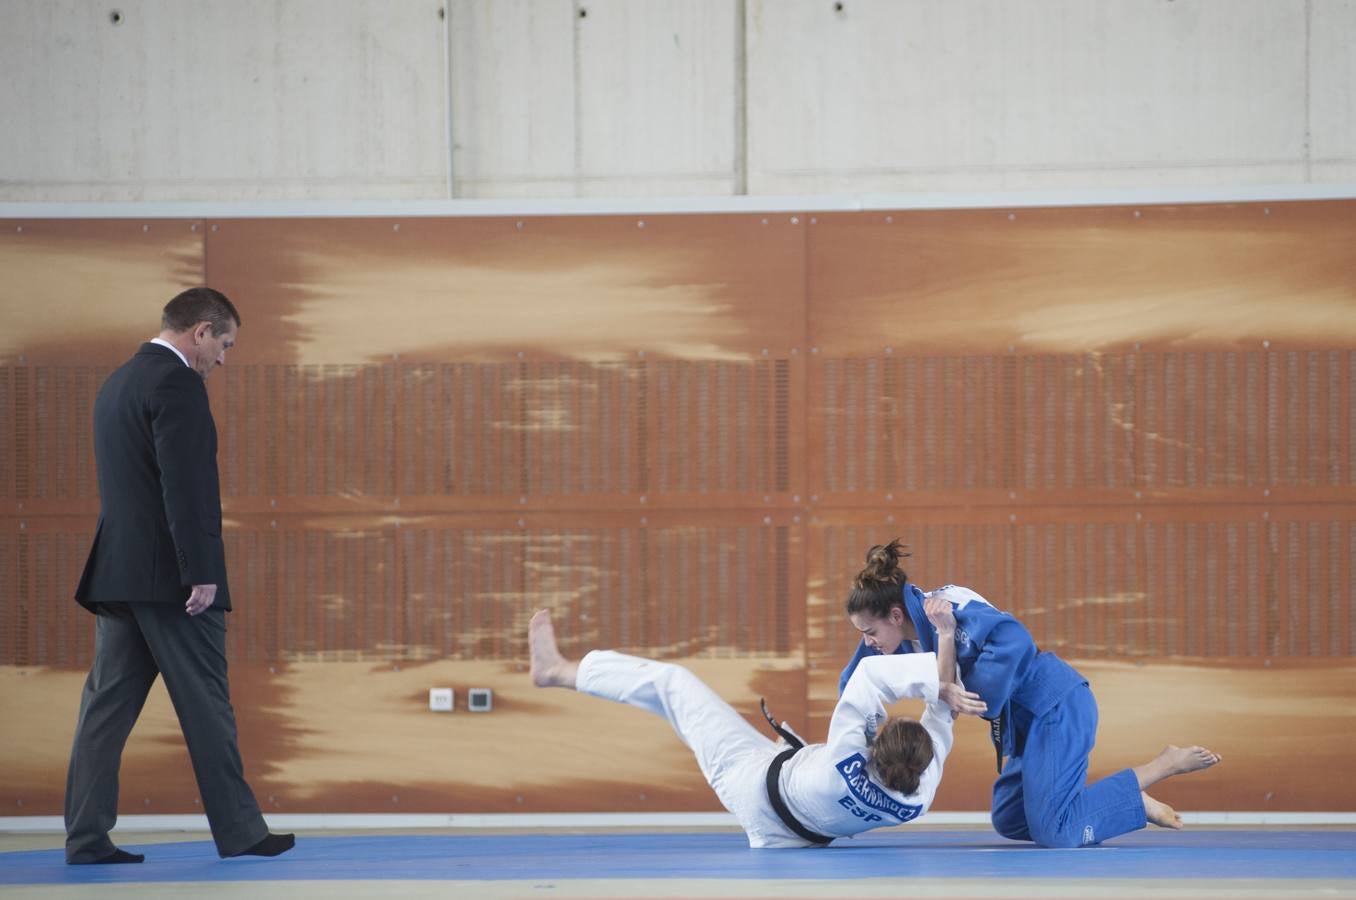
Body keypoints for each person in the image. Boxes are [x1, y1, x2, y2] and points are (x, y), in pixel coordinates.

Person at [65, 288, 294, 864]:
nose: (224, 358)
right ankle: (242, 833)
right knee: (208, 703)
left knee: (104, 711)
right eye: (224, 344)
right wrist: (201, 572)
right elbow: (185, 487)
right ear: (200, 332)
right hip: (173, 582)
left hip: (117, 577)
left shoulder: (118, 382)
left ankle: (86, 839)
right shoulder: (177, 384)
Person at [839, 539, 1221, 848]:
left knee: (1055, 832)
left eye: (868, 633)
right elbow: (855, 680)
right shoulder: (899, 636)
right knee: (1010, 818)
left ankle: (1154, 774)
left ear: (894, 615)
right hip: (1025, 729)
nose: (868, 643)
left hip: (1056, 707)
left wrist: (970, 694)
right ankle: (1087, 805)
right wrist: (853, 739)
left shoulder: (948, 611)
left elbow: (1016, 639)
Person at [528, 607, 986, 848]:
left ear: (873, 744)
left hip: (752, 781)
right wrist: (946, 653)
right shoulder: (919, 798)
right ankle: (560, 671)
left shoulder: (846, 755)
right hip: (791, 830)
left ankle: (556, 671)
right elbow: (944, 714)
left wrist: (942, 636)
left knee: (673, 684)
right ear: (925, 764)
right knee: (802, 764)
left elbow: (875, 680)